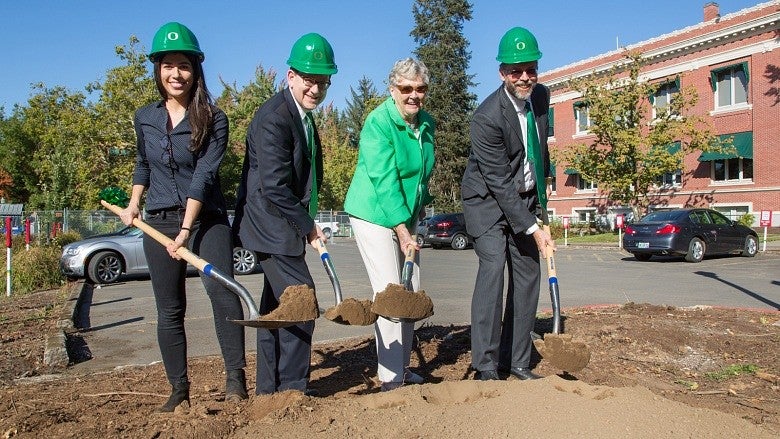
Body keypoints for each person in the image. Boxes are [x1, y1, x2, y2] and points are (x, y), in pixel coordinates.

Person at [119, 22, 247, 411]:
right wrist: (133, 202)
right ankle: (178, 390)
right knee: (169, 308)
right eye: (168, 65)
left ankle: (235, 382)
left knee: (222, 293)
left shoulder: (214, 117)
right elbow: (143, 163)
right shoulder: (145, 117)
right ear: (157, 69)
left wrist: (187, 229)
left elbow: (205, 176)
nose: (176, 74)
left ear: (196, 70)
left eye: (185, 66)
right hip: (158, 221)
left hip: (204, 219)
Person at [232, 33, 336, 395]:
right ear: (291, 75)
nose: (316, 87)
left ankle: (268, 390)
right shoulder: (275, 118)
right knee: (301, 304)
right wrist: (308, 226)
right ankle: (292, 390)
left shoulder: (301, 115)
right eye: (309, 78)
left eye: (322, 81)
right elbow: (275, 186)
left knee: (276, 310)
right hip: (271, 227)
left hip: (279, 227)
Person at [461, 27, 555, 381]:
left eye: (530, 68)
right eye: (516, 71)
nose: (524, 77)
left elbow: (538, 155)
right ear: (502, 73)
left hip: (525, 198)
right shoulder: (486, 117)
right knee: (492, 269)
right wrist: (531, 227)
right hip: (486, 203)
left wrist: (540, 215)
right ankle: (485, 364)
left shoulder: (542, 97)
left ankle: (516, 361)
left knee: (529, 272)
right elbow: (499, 183)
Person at [344, 58, 435, 392]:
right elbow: (385, 179)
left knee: (410, 291)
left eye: (420, 88)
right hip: (374, 213)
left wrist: (415, 218)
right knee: (391, 294)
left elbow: (420, 178)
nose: (414, 95)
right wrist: (401, 229)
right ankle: (390, 379)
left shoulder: (426, 124)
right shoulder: (378, 122)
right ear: (392, 88)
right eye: (406, 88)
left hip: (405, 217)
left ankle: (402, 366)